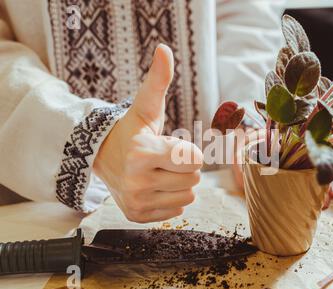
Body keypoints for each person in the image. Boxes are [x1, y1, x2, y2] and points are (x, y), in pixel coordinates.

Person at [0, 0, 287, 223]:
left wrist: (246, 122)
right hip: (45, 210)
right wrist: (92, 141)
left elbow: (244, 14)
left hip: (213, 190)